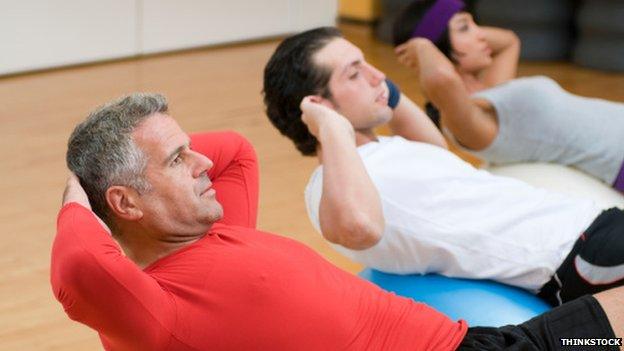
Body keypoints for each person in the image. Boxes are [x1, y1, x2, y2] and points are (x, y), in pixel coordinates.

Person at [53, 92, 624, 350]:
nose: (202, 162)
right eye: (179, 160)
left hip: (475, 338)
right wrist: (79, 191)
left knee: (602, 327)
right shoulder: (156, 312)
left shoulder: (218, 229)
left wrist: (142, 171)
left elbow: (234, 150)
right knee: (597, 330)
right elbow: (80, 260)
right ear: (125, 204)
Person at [262, 27, 624, 307]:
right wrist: (329, 127)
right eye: (354, 74)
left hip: (599, 225)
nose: (377, 76)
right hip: (576, 258)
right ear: (318, 106)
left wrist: (367, 84)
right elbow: (358, 229)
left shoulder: (385, 149)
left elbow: (434, 146)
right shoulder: (332, 187)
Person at [392, 0, 624, 191]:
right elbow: (442, 79)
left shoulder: (492, 89)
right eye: (465, 28)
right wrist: (422, 45)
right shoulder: (469, 121)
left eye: (475, 24)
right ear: (437, 47)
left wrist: (458, 23)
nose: (481, 35)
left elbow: (508, 41)